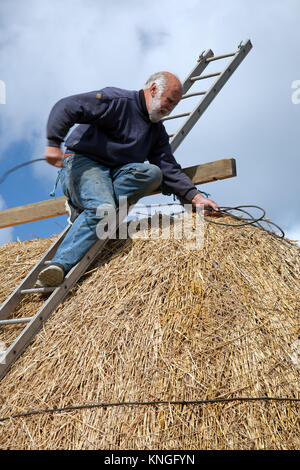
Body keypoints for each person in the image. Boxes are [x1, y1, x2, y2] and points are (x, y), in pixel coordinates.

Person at [36, 71, 219, 287]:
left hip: (116, 173)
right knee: (103, 209)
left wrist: (195, 197)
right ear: (153, 90)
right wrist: (53, 142)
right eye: (169, 100)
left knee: (153, 173)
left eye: (174, 105)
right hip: (84, 162)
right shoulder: (116, 101)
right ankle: (60, 264)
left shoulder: (156, 132)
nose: (169, 108)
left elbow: (168, 167)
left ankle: (89, 205)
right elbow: (67, 106)